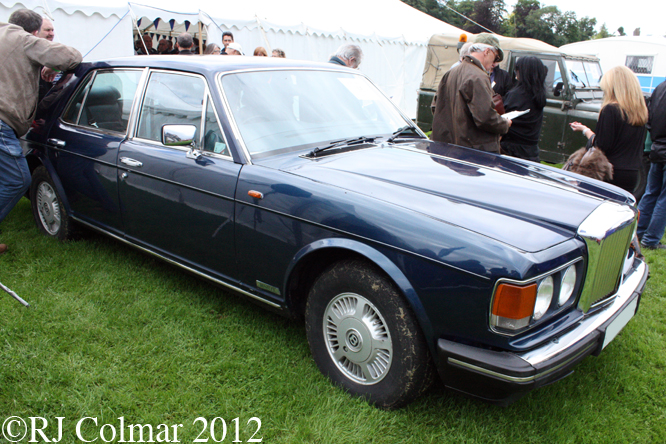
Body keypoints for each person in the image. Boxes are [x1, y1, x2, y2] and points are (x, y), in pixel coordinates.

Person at [1, 9, 82, 254]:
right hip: (2, 122)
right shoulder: (24, 40)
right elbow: (72, 56)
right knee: (18, 179)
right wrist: (46, 61)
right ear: (35, 31)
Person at [570, 65, 648, 194]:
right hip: (631, 174)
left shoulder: (610, 110)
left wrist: (588, 134)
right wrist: (585, 130)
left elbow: (602, 145)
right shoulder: (639, 112)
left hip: (608, 173)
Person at [431, 42, 511, 153]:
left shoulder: (450, 73)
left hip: (449, 149)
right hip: (472, 153)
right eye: (495, 57)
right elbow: (485, 117)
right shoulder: (478, 76)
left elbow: (435, 107)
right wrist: (504, 124)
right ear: (487, 51)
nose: (494, 63)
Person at [500, 56, 548, 162]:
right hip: (531, 149)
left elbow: (503, 118)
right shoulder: (539, 94)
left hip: (511, 149)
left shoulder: (516, 94)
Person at [637, 79, 666, 250]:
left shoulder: (660, 87)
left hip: (656, 147)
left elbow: (649, 117)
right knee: (662, 197)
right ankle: (651, 239)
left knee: (651, 193)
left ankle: (639, 232)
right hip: (660, 146)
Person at [474, 33, 513, 98]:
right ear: (487, 52)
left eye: (497, 58)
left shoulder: (504, 76)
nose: (494, 61)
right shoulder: (469, 73)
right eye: (495, 57)